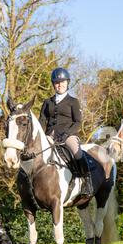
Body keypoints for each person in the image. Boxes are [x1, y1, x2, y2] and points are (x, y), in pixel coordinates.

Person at [39, 67, 93, 197]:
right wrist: (42, 136)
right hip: (50, 135)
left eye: (62, 82)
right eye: (57, 82)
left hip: (68, 134)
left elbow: (78, 122)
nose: (60, 85)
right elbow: (42, 121)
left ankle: (87, 182)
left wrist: (67, 134)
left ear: (67, 83)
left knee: (77, 152)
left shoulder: (73, 102)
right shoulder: (47, 102)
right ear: (53, 85)